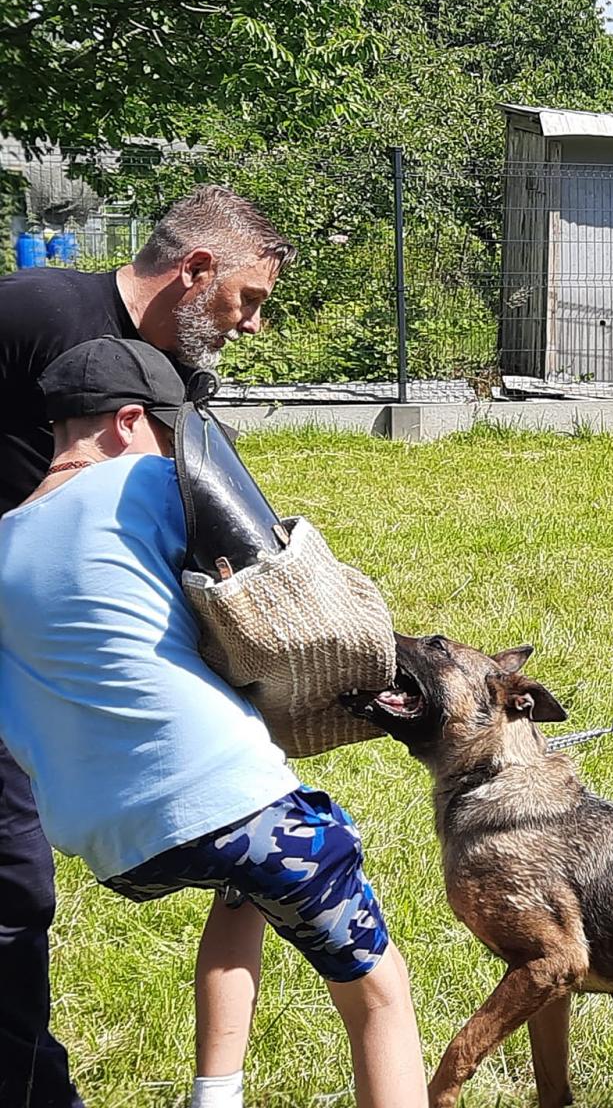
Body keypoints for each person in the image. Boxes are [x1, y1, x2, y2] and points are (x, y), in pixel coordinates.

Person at [0, 337, 428, 1108]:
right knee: (379, 995)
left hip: (113, 845)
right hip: (230, 796)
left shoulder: (3, 539)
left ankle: (215, 1096)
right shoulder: (145, 481)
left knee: (244, 884)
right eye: (168, 431)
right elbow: (280, 582)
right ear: (129, 421)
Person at [0, 186, 292, 1106]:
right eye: (248, 299)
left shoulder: (176, 378)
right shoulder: (36, 310)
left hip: (61, 663)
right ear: (196, 269)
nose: (252, 325)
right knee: (13, 888)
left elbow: (217, 522)